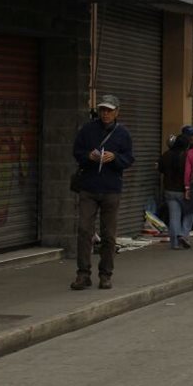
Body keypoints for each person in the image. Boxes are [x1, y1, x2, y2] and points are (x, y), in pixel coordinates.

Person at [70, 95, 134, 290]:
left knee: (108, 235)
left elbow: (129, 158)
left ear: (117, 112)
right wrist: (87, 156)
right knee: (84, 230)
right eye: (103, 110)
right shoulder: (87, 130)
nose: (105, 113)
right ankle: (83, 273)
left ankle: (105, 274)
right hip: (89, 188)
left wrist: (115, 157)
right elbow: (76, 152)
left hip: (111, 190)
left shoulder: (123, 134)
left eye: (109, 110)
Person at [158, 125, 193, 250]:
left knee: (174, 217)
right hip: (183, 190)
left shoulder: (166, 155)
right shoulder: (187, 156)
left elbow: (160, 169)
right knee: (190, 213)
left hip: (169, 190)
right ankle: (183, 234)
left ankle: (174, 243)